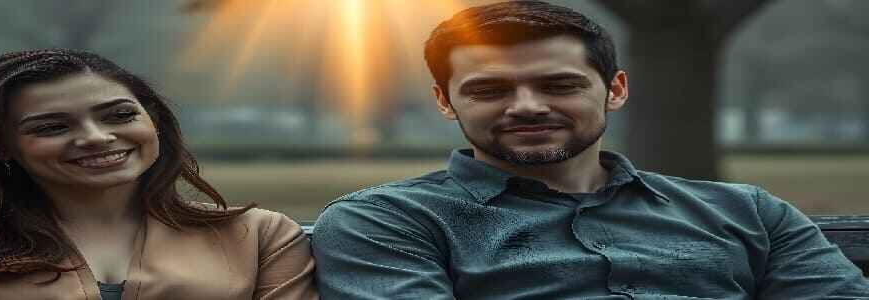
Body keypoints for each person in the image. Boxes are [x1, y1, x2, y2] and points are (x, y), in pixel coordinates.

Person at [311, 1, 869, 299]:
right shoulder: (386, 222)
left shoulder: (749, 213)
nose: (526, 106)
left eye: (559, 85)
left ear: (616, 89)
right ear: (444, 100)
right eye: (489, 90)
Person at [0, 49, 317, 299]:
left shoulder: (259, 235)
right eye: (52, 127)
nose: (95, 137)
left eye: (118, 115)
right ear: (0, 147)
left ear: (152, 121)